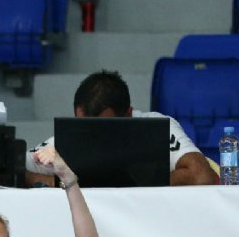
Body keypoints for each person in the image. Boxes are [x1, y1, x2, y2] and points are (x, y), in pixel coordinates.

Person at [26, 70, 216, 187]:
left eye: (102, 127)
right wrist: (63, 182)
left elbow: (201, 175)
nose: (92, 136)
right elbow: (17, 169)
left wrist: (136, 184)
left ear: (128, 114)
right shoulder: (70, 137)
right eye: (84, 126)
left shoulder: (158, 126)